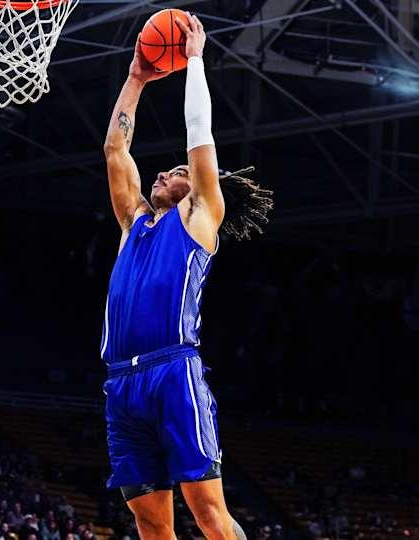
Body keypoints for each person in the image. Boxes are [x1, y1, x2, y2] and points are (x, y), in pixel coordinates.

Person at [101, 11, 272, 540]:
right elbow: (115, 150)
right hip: (121, 382)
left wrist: (196, 61)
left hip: (174, 370)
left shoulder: (199, 219)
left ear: (194, 187)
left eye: (175, 172)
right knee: (151, 522)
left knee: (208, 514)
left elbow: (200, 137)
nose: (162, 172)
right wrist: (135, 78)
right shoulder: (134, 224)